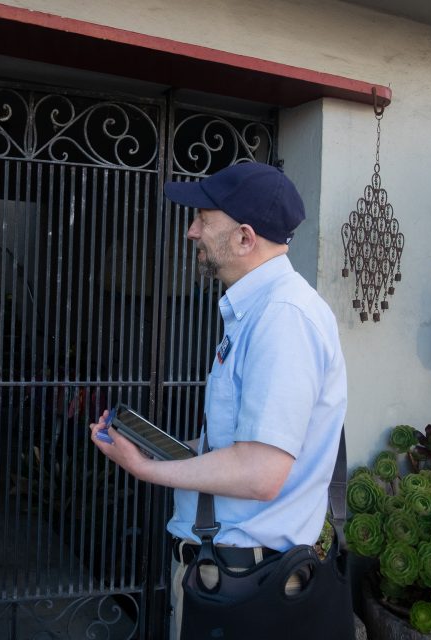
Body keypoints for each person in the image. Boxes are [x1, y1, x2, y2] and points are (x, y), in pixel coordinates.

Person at [89, 162, 347, 639]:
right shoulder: (260, 314)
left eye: (203, 219)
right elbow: (243, 447)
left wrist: (145, 469)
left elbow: (260, 472)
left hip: (245, 586)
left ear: (245, 238)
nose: (192, 232)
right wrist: (157, 446)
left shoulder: (282, 320)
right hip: (233, 577)